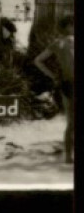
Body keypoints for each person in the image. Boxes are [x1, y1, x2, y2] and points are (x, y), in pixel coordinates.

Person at [33, 14, 75, 164]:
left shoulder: (58, 43)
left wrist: (52, 76)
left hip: (65, 83)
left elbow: (38, 61)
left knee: (70, 122)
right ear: (70, 25)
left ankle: (69, 157)